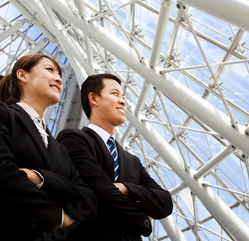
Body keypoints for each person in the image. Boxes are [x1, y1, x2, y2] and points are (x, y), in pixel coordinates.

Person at [0, 54, 97, 241]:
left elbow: (89, 203)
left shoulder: (60, 150)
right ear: (22, 75)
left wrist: (38, 176)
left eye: (60, 75)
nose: (59, 79)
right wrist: (60, 216)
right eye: (50, 70)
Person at [57, 73, 173, 241]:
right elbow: (100, 192)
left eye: (123, 96)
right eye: (115, 94)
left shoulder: (132, 160)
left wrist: (126, 188)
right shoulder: (73, 139)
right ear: (93, 98)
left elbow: (165, 202)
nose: (122, 101)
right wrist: (143, 220)